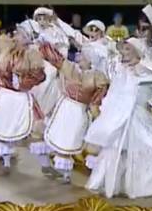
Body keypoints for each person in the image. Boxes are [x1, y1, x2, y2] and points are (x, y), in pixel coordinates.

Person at [84, 39, 152, 200]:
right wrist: (106, 113)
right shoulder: (120, 71)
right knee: (117, 152)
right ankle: (119, 184)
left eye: (128, 48)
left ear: (136, 51)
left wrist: (150, 103)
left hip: (138, 117)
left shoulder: (146, 71)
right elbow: (114, 94)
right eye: (123, 49)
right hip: (119, 118)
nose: (124, 52)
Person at [31, 43, 108, 184]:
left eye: (83, 56)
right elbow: (55, 58)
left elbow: (97, 100)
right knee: (52, 135)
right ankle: (52, 168)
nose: (79, 57)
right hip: (64, 109)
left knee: (69, 142)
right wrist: (45, 43)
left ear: (91, 60)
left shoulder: (97, 77)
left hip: (78, 112)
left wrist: (98, 119)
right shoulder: (74, 69)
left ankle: (68, 175)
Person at [0, 30, 46, 173]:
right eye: (16, 34)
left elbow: (40, 76)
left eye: (21, 35)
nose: (16, 36)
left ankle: (45, 164)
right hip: (5, 96)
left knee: (37, 129)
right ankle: (6, 163)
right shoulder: (6, 50)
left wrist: (25, 82)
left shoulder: (32, 55)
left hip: (21, 97)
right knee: (3, 128)